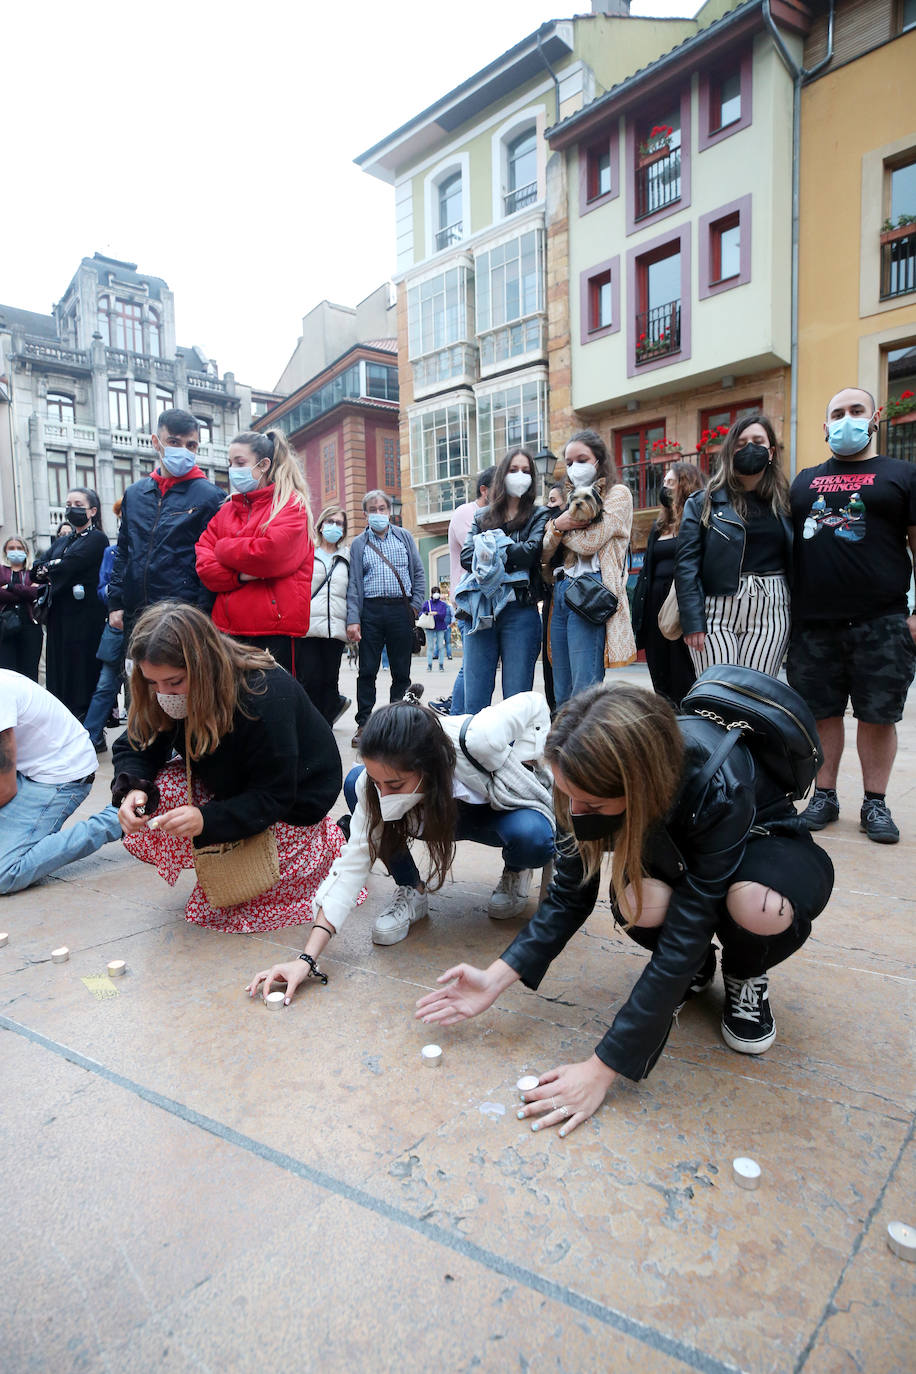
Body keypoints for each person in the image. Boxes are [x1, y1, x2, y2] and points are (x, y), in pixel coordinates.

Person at [416, 682, 834, 1137]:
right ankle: (698, 970)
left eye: (592, 804)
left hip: (763, 847)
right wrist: (494, 978)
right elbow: (569, 895)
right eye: (567, 796)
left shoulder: (719, 781)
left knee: (756, 905)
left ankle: (745, 970)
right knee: (637, 902)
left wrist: (603, 1066)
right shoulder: (577, 771)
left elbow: (688, 928)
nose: (575, 813)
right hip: (673, 846)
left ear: (641, 787)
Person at [246, 690, 555, 999]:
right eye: (378, 782)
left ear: (429, 766)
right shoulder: (377, 786)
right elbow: (352, 864)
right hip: (432, 817)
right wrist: (306, 959)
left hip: (493, 814)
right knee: (356, 783)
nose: (384, 794)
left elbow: (535, 702)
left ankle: (516, 869)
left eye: (394, 785)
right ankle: (411, 889)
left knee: (534, 835)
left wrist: (530, 757)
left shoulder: (479, 737)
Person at [112, 602, 347, 933]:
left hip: (291, 807)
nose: (163, 694)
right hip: (236, 785)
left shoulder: (262, 695)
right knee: (160, 792)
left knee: (239, 910)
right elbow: (139, 743)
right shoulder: (165, 688)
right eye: (153, 683)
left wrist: (208, 820)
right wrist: (133, 787)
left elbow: (275, 794)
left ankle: (324, 849)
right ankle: (224, 849)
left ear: (202, 666)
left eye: (174, 682)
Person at [787, 386, 916, 844]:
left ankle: (875, 803)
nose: (847, 420)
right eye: (837, 413)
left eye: (855, 411)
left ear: (874, 417)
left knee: (878, 715)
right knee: (821, 714)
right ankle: (824, 795)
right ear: (825, 428)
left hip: (881, 621)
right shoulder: (803, 481)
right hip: (812, 623)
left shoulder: (902, 475)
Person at [676, 415, 793, 678]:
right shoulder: (702, 502)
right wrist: (693, 621)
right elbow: (686, 565)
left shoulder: (787, 502)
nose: (750, 447)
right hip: (716, 607)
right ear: (729, 451)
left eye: (757, 441)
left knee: (756, 694)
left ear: (771, 451)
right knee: (718, 694)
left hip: (771, 606)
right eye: (741, 443)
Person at [195, 429, 314, 680]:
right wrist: (241, 576)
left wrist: (223, 548)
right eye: (230, 463)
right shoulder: (227, 510)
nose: (232, 469)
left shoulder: (291, 505)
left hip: (274, 631)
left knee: (272, 708)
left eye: (240, 463)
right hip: (227, 630)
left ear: (264, 465)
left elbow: (269, 555)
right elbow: (205, 567)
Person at [0, 669, 122, 894]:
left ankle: (117, 818)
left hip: (60, 776)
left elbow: (5, 788)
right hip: (26, 769)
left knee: (4, 873)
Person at [107, 409, 224, 643]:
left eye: (191, 445)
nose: (183, 450)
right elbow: (123, 552)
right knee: (136, 677)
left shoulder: (211, 497)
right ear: (156, 442)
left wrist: (201, 614)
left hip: (184, 617)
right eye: (174, 442)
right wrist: (115, 602)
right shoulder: (135, 493)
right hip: (136, 614)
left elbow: (212, 561)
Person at [541, 431, 635, 705]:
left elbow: (590, 542)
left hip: (591, 590)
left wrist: (556, 527)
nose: (574, 467)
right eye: (568, 462)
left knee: (585, 690)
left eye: (581, 459)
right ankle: (563, 747)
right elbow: (545, 550)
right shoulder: (568, 496)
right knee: (561, 690)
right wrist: (559, 525)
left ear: (598, 461)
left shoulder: (618, 494)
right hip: (561, 591)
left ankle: (584, 747)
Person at [460, 450, 549, 715]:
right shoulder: (482, 516)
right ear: (502, 475)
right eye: (513, 469)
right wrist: (510, 550)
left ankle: (513, 754)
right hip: (481, 610)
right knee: (474, 696)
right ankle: (473, 751)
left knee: (517, 698)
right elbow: (466, 556)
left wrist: (491, 546)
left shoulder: (539, 514)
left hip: (521, 610)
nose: (519, 476)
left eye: (525, 470)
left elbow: (531, 553)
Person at [346, 490, 426, 750]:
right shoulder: (358, 544)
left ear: (390, 511)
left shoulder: (404, 537)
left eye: (383, 508)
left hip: (400, 610)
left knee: (401, 671)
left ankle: (396, 722)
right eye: (373, 509)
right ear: (365, 513)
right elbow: (354, 585)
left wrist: (414, 608)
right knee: (367, 670)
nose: (378, 513)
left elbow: (418, 573)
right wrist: (353, 619)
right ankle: (365, 723)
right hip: (370, 611)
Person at [631, 462, 706, 705]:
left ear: (686, 485)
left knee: (683, 671)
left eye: (670, 483)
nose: (665, 488)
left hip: (680, 602)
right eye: (664, 483)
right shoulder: (658, 525)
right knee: (659, 672)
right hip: (654, 604)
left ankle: (690, 729)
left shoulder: (698, 522)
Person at [32, 488, 108, 720]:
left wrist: (52, 568)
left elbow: (71, 565)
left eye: (78, 503)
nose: (71, 508)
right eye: (68, 503)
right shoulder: (63, 540)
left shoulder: (97, 538)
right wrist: (51, 567)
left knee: (81, 670)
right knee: (59, 670)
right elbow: (36, 569)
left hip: (84, 617)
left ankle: (86, 723)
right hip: (59, 615)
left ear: (92, 510)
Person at [444, 467, 495, 716]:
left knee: (477, 665)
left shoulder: (495, 514)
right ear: (484, 490)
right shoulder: (467, 512)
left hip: (488, 601)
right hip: (469, 602)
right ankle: (456, 719)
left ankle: (462, 718)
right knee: (471, 666)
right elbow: (482, 555)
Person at [298, 505, 351, 726]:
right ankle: (310, 725)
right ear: (320, 526)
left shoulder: (347, 556)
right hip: (308, 627)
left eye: (339, 523)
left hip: (335, 628)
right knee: (309, 680)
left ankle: (325, 725)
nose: (334, 526)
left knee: (330, 681)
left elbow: (352, 592)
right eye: (330, 521)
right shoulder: (307, 553)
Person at [82, 499, 126, 753]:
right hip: (117, 629)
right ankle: (90, 737)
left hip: (146, 628)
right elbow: (101, 590)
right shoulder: (111, 552)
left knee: (144, 688)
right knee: (105, 685)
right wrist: (116, 596)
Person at [0, 536, 42, 681]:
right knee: (7, 672)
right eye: (11, 548)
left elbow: (38, 592)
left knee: (29, 673)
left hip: (30, 625)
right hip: (5, 627)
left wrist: (11, 587)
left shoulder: (33, 573)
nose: (15, 551)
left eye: (19, 548)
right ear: (5, 551)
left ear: (26, 551)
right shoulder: (1, 570)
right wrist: (25, 592)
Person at [421, 587, 450, 672]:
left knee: (441, 646)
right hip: (430, 627)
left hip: (440, 627)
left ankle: (441, 665)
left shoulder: (442, 604)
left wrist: (436, 613)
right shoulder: (427, 603)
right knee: (430, 647)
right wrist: (427, 613)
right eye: (434, 592)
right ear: (431, 593)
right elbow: (421, 613)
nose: (436, 593)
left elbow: (443, 614)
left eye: (437, 592)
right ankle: (429, 665)